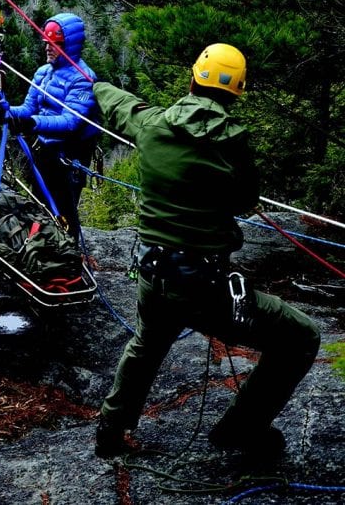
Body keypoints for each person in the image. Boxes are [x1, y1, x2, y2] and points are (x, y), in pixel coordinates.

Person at [93, 43, 320, 460]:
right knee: (300, 337)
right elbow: (243, 200)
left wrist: (95, 81)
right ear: (236, 92)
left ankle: (110, 430)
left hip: (153, 274)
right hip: (204, 287)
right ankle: (241, 427)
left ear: (193, 77)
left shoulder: (152, 125)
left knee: (147, 343)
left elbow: (121, 103)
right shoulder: (233, 145)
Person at [0, 12, 100, 241]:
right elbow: (28, 108)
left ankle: (68, 254)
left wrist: (32, 124)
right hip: (44, 151)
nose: (48, 48)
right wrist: (5, 110)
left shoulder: (83, 79)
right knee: (39, 205)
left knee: (64, 210)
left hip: (69, 156)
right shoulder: (43, 73)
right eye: (46, 43)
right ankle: (44, 251)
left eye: (55, 44)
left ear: (70, 46)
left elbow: (71, 122)